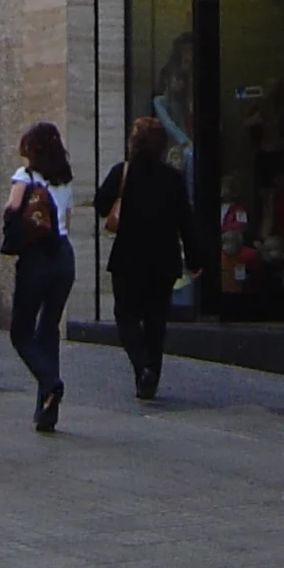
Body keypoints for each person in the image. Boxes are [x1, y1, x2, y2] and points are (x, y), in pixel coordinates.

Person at [95, 114, 201, 400]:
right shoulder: (173, 178)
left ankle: (142, 367)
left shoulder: (123, 173)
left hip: (129, 258)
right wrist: (195, 259)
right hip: (163, 259)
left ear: (135, 143)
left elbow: (102, 204)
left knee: (126, 316)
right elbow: (186, 221)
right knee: (156, 320)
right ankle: (150, 375)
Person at [5, 122, 74, 434]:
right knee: (49, 330)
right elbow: (67, 219)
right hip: (64, 255)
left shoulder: (25, 176)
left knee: (20, 332)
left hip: (36, 257)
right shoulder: (65, 178)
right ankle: (46, 412)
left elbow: (13, 206)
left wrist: (13, 224)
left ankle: (50, 382)